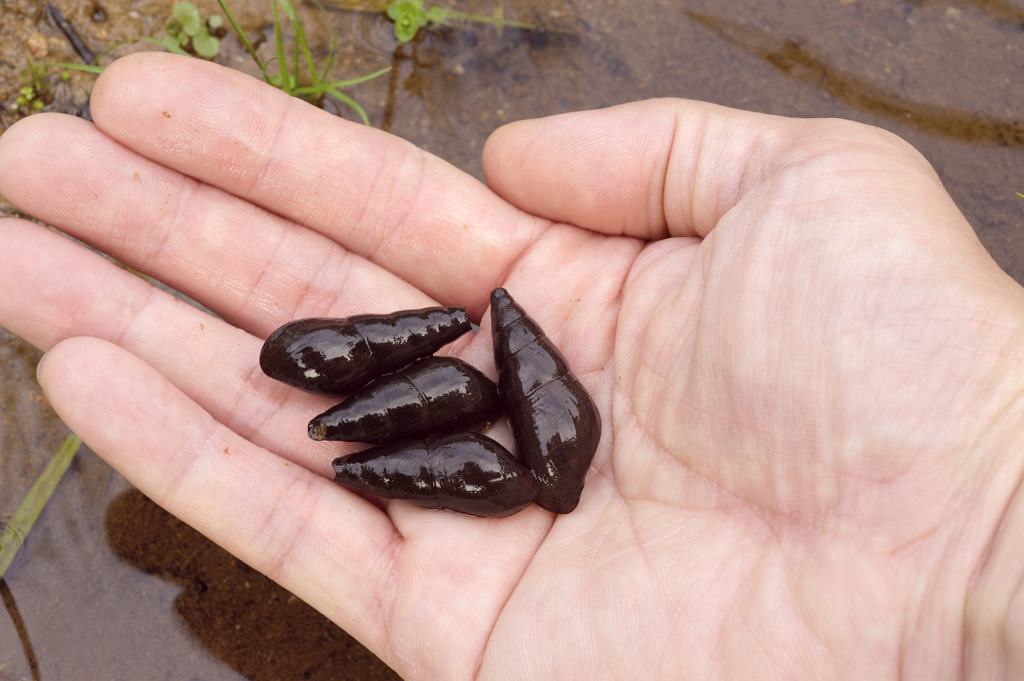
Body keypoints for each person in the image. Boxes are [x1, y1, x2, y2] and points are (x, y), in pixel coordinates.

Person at [0, 52, 1020, 679]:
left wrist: (989, 500)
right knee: (419, 419)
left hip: (488, 426)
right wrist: (985, 509)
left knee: (424, 423)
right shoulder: (489, 410)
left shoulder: (502, 415)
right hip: (481, 423)